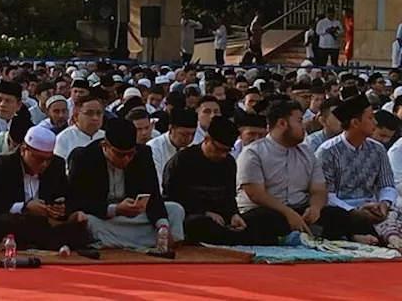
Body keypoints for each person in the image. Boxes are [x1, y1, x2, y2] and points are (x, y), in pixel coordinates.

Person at [66, 117, 184, 250]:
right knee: (86, 221)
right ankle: (143, 241)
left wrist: (163, 226)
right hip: (104, 217)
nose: (126, 159)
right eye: (120, 155)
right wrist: (115, 210)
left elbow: (153, 194)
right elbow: (77, 201)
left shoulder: (143, 154)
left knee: (175, 210)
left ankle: (116, 242)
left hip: (133, 217)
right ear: (105, 146)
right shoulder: (83, 157)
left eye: (130, 154)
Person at [0, 125, 91, 252]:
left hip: (45, 223)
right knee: (17, 222)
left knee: (79, 227)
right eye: (39, 159)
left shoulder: (56, 165)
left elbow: (67, 197)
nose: (44, 164)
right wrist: (25, 207)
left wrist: (61, 209)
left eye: (48, 160)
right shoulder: (1, 165)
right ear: (23, 150)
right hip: (12, 220)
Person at [236, 98, 327, 245]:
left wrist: (315, 208)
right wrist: (288, 213)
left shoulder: (307, 153)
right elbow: (256, 194)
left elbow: (319, 190)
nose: (303, 126)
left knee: (336, 215)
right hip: (268, 211)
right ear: (282, 123)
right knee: (265, 220)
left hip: (299, 209)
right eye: (298, 121)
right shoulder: (253, 152)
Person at [315, 94, 402, 247]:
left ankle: (387, 236)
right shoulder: (327, 151)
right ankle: (357, 236)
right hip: (344, 209)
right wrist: (354, 211)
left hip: (373, 207)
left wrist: (384, 203)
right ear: (355, 123)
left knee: (393, 209)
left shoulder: (378, 149)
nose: (375, 122)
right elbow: (327, 195)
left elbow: (387, 185)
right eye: (370, 118)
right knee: (331, 216)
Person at [163, 117, 251, 244]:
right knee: (198, 223)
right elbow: (172, 197)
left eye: (226, 151)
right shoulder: (182, 160)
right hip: (192, 216)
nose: (222, 155)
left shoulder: (228, 163)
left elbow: (229, 196)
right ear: (206, 139)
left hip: (221, 219)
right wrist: (205, 212)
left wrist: (234, 215)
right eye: (218, 149)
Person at [149, 108, 197, 187]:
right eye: (184, 134)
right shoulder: (154, 148)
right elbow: (157, 183)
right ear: (171, 129)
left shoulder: (193, 147)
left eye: (193, 134)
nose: (189, 138)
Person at [54, 93, 106, 161]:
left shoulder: (106, 137)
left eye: (99, 113)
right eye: (89, 113)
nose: (95, 118)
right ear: (76, 117)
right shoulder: (63, 139)